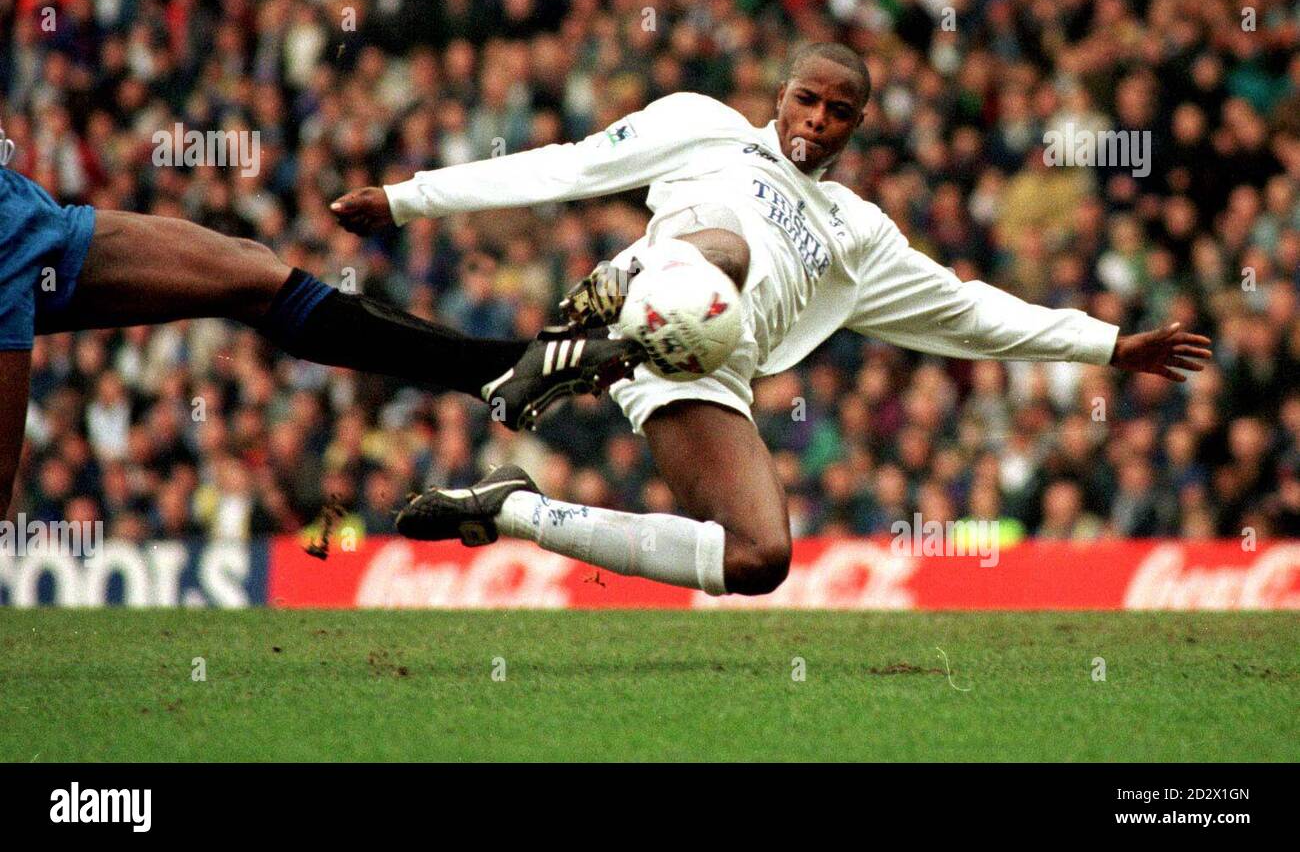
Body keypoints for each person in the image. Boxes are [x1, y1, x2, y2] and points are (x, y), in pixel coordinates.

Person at [330, 42, 1213, 597]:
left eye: (839, 113)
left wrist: (1108, 344)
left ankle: (514, 506)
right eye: (807, 100)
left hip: (703, 367)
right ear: (779, 94)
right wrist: (409, 201)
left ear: (858, 126)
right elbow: (564, 168)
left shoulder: (858, 232)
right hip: (659, 284)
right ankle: (598, 324)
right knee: (725, 257)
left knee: (760, 560)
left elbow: (971, 312)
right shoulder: (705, 129)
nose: (817, 121)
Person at [0, 124, 642, 510]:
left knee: (250, 271)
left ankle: (499, 368)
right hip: (7, 252)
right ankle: (500, 368)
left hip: (33, 223)